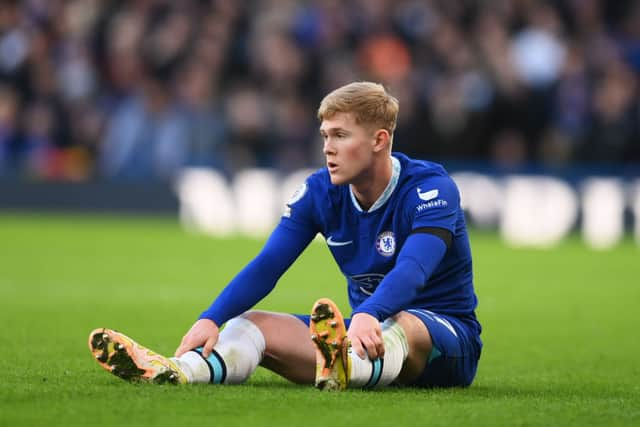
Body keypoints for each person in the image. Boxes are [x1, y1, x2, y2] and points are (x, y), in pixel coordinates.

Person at [89, 81, 482, 390]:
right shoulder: (320, 192)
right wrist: (211, 318)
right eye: (325, 135)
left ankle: (348, 363)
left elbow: (413, 270)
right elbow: (268, 265)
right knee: (249, 324)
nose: (327, 148)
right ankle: (179, 371)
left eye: (340, 136)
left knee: (405, 324)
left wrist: (367, 313)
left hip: (446, 342)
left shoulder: (431, 189)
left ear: (379, 140)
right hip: (363, 333)